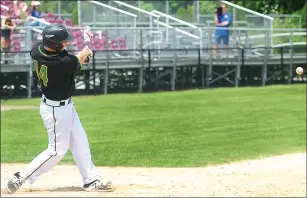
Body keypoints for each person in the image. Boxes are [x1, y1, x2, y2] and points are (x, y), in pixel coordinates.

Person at [5, 24, 114, 194]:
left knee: (80, 141)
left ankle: (90, 180)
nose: (66, 44)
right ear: (55, 44)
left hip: (64, 106)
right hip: (56, 111)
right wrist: (83, 55)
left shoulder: (38, 51)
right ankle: (21, 176)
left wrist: (80, 59)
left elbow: (71, 62)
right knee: (56, 151)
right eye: (63, 42)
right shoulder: (60, 62)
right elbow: (71, 62)